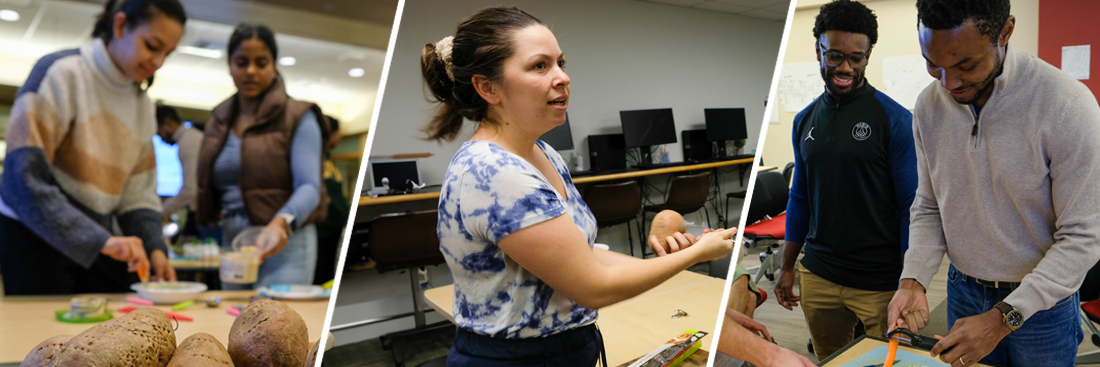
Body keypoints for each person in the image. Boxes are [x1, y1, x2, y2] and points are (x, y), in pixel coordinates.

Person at [426, 7, 735, 366]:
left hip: (565, 347)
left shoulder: (542, 154)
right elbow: (591, 287)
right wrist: (694, 255)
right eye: (540, 66)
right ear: (487, 87)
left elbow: (580, 256)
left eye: (560, 62)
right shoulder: (494, 172)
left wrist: (662, 260)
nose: (563, 77)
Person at [888, 1, 1100, 365]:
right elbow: (928, 205)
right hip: (963, 291)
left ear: (1005, 32)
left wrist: (1004, 319)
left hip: (1041, 308)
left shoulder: (1067, 106)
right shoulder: (928, 107)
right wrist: (914, 279)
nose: (948, 83)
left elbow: (1084, 237)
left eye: (965, 65)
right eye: (933, 63)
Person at [0, 0, 185, 295]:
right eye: (152, 46)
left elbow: (137, 196)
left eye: (167, 53)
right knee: (43, 337)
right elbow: (22, 180)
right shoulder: (62, 73)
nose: (158, 61)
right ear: (120, 25)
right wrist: (102, 240)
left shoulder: (142, 105)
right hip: (36, 236)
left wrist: (155, 247)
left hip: (99, 237)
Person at [774, 0, 917, 361]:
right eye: (835, 56)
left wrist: (908, 282)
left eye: (858, 58)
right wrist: (788, 267)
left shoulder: (894, 120)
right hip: (819, 274)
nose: (846, 68)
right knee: (831, 359)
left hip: (879, 282)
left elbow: (910, 209)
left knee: (885, 361)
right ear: (819, 51)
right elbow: (801, 197)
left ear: (869, 55)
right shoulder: (804, 120)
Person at [196, 23, 330, 290]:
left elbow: (310, 187)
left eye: (261, 62)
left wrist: (281, 222)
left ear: (274, 65)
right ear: (230, 65)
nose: (250, 71)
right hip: (234, 240)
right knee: (235, 323)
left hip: (285, 241)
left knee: (276, 324)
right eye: (241, 62)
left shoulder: (298, 116)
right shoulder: (219, 119)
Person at [314, 115, 349, 285]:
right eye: (337, 133)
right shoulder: (314, 161)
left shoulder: (328, 161)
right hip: (321, 233)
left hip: (334, 233)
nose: (339, 138)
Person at [156, 105, 202, 216]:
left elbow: (190, 190)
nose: (160, 138)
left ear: (168, 123)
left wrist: (159, 212)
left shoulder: (188, 142)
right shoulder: (191, 137)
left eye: (159, 132)